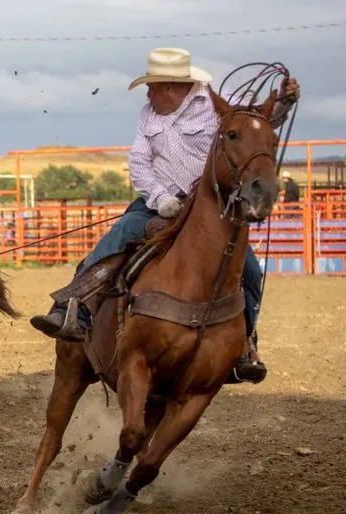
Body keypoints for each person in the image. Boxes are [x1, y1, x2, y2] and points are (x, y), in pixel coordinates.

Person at [30, 47, 301, 383]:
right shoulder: (149, 115)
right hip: (159, 202)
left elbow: (258, 123)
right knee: (119, 235)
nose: (147, 93)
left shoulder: (220, 103)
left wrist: (286, 102)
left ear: (170, 87)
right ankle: (74, 310)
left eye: (151, 86)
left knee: (250, 270)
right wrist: (161, 198)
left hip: (211, 209)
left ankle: (246, 342)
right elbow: (139, 162)